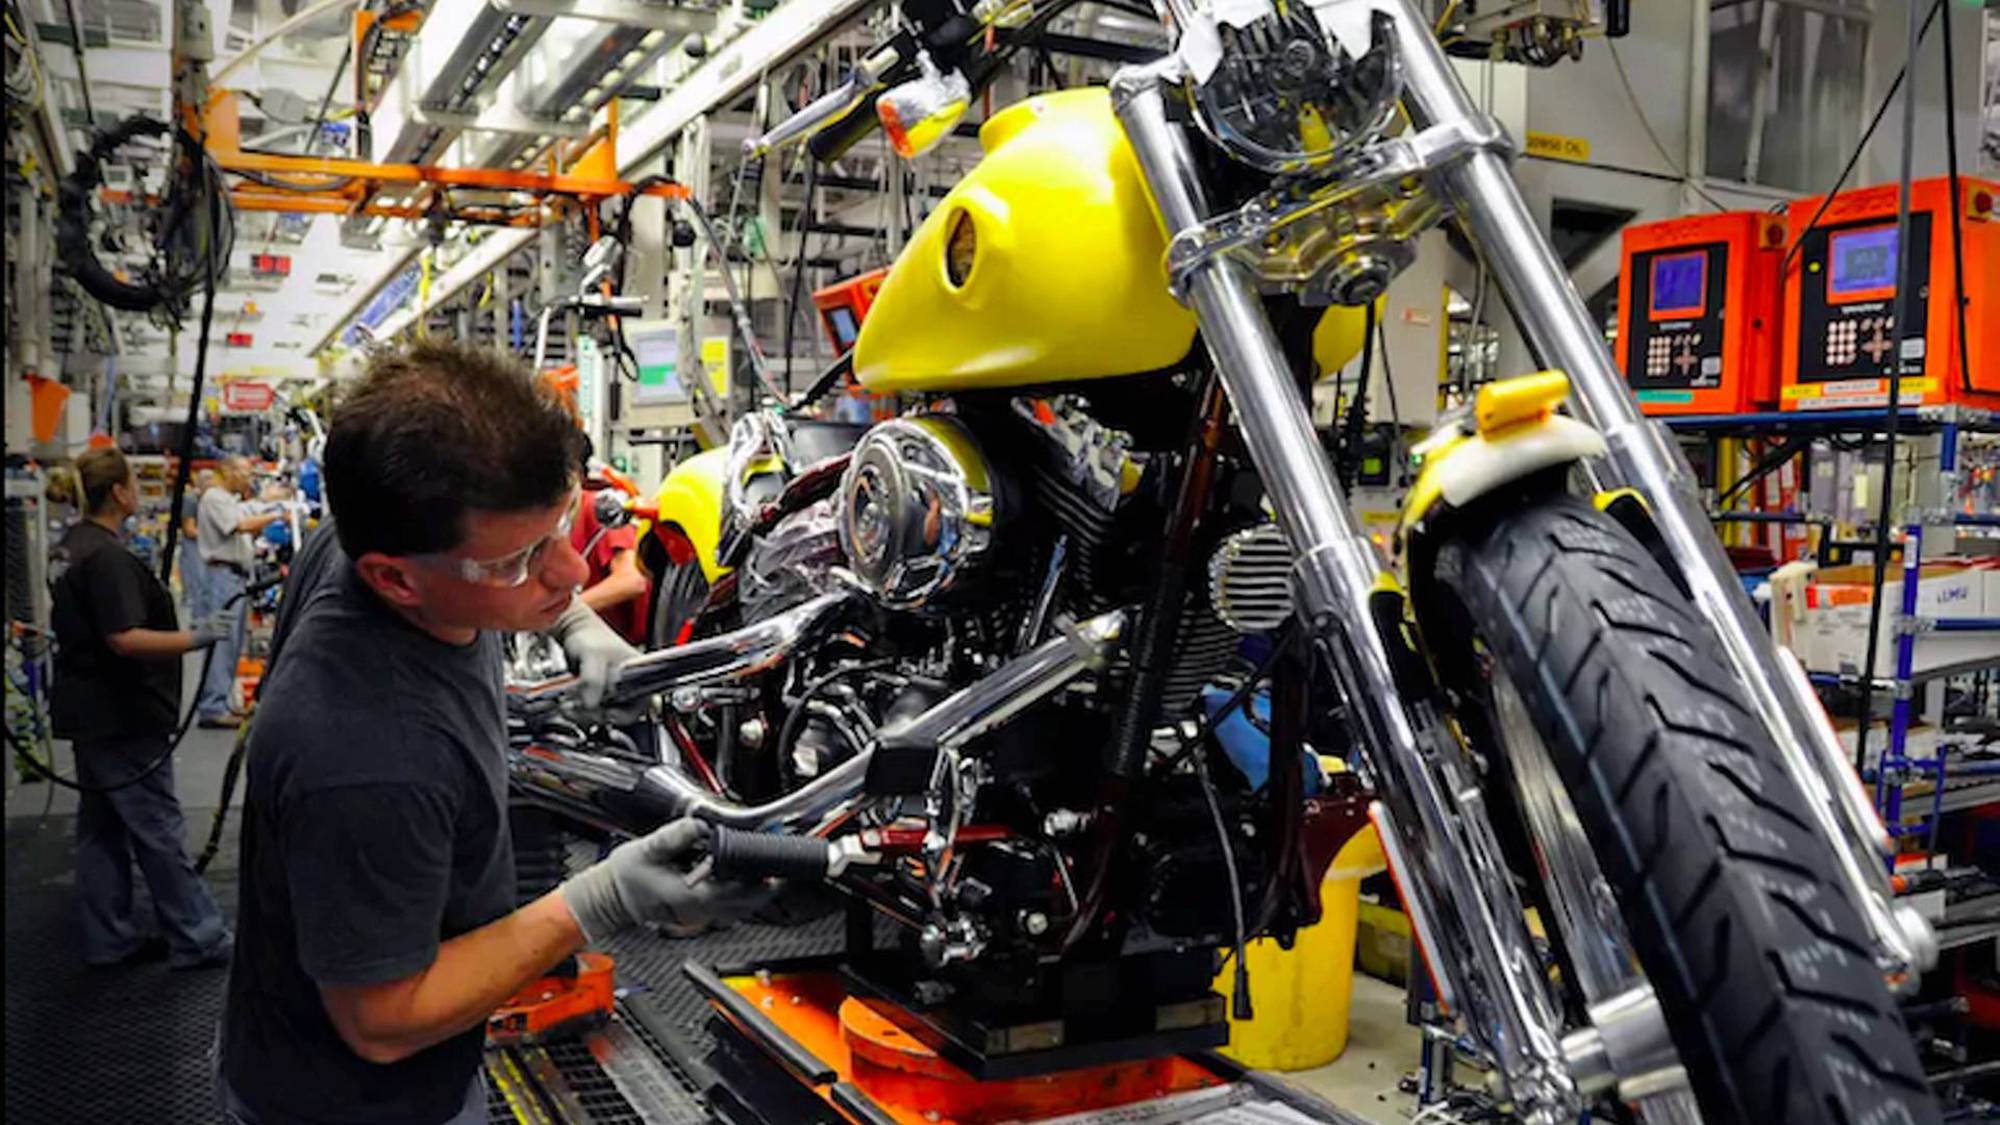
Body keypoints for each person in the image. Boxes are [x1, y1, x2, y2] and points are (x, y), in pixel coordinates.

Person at [217, 341, 766, 1125]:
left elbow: (534, 568)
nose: (575, 571)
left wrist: (576, 624)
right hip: (355, 1103)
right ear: (394, 577)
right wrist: (600, 899)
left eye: (563, 527)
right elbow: (381, 1020)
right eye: (523, 560)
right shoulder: (364, 749)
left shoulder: (385, 546)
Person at [47, 447, 235, 971]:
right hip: (121, 714)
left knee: (103, 826)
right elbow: (124, 639)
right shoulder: (106, 558)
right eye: (133, 481)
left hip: (91, 711)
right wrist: (195, 637)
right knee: (156, 825)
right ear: (119, 493)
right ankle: (197, 936)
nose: (139, 489)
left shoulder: (72, 546)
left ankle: (109, 936)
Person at [193, 457, 282, 729]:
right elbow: (239, 526)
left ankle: (223, 701)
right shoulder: (215, 498)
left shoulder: (226, 499)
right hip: (222, 578)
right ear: (229, 471)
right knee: (222, 642)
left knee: (232, 644)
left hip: (233, 577)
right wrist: (278, 515)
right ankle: (212, 707)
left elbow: (244, 513)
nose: (249, 478)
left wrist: (270, 503)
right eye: (245, 472)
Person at [571, 446, 650, 646]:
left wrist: (565, 612)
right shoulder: (547, 522)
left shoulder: (597, 509)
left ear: (577, 475)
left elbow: (632, 580)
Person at [178, 468, 217, 628]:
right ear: (199, 483)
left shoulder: (209, 500)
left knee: (207, 585)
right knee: (197, 585)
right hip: (193, 546)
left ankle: (204, 620)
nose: (211, 485)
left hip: (205, 545)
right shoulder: (191, 500)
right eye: (208, 482)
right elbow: (189, 529)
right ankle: (196, 623)